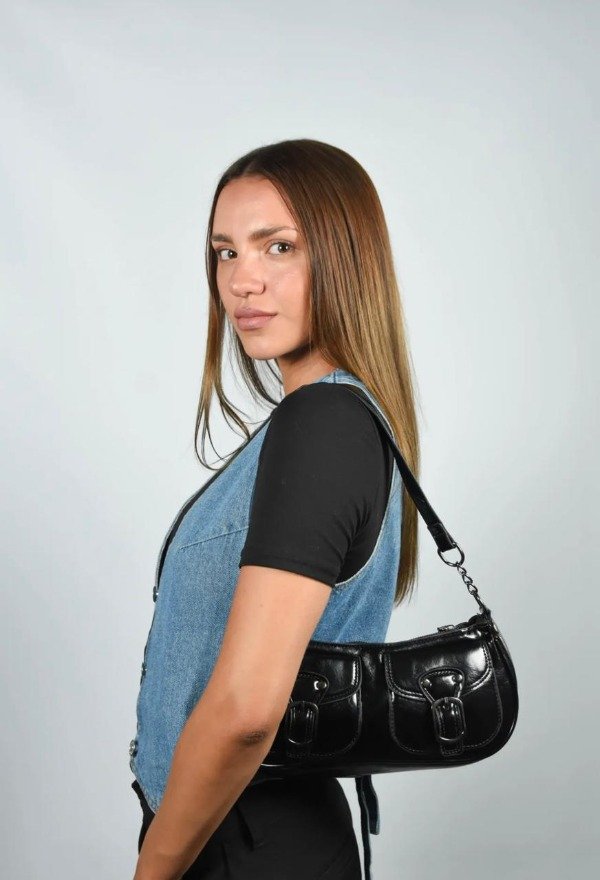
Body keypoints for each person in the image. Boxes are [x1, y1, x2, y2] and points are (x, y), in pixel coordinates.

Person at [129, 138, 420, 880]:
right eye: (225, 252)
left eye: (278, 246)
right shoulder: (329, 421)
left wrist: (152, 870)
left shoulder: (321, 425)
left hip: (246, 844)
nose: (242, 280)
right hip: (255, 837)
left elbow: (247, 711)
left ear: (346, 258)